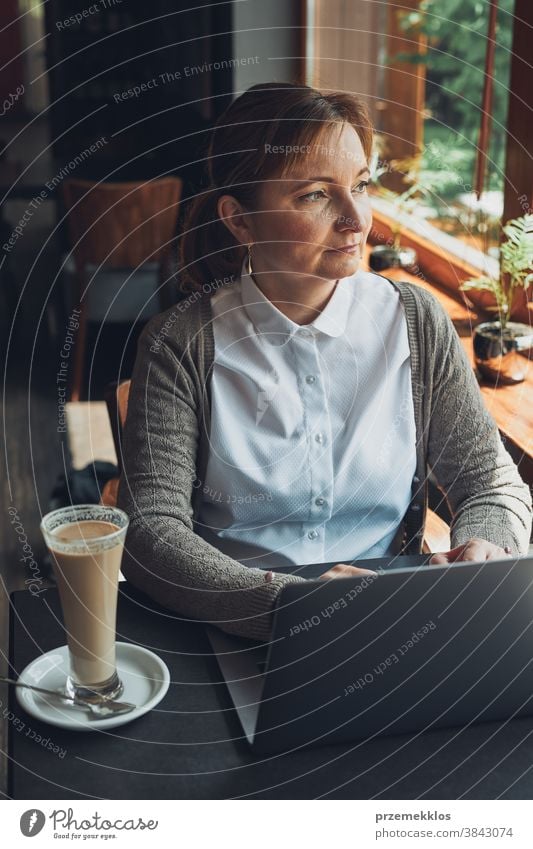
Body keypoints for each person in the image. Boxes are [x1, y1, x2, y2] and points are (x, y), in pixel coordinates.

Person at [116, 82, 532, 642]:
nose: (356, 220)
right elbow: (152, 534)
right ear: (240, 220)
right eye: (315, 194)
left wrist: (485, 545)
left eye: (361, 185)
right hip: (238, 626)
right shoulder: (180, 343)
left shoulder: (415, 321)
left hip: (394, 621)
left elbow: (488, 480)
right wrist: (286, 608)